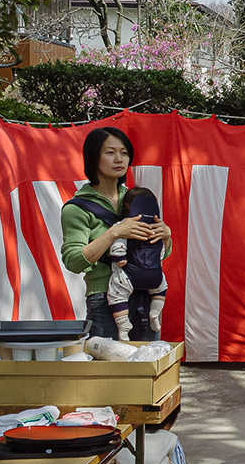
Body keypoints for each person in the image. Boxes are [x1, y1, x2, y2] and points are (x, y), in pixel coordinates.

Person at [61, 127, 172, 341]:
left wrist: (165, 237)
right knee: (110, 370)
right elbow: (73, 262)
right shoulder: (76, 208)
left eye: (124, 152)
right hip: (103, 299)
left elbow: (159, 254)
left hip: (145, 295)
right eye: (110, 152)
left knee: (147, 367)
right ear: (93, 158)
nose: (119, 159)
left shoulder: (137, 198)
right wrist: (115, 233)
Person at [107, 187, 169, 341]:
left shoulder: (124, 225)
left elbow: (117, 246)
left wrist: (119, 259)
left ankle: (123, 325)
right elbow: (162, 251)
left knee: (117, 295)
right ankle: (154, 313)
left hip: (129, 276)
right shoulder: (157, 227)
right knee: (161, 288)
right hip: (154, 275)